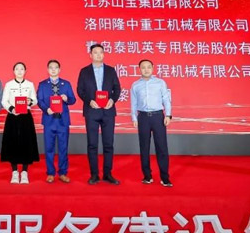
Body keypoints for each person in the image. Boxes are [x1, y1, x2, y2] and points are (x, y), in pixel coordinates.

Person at [77, 44, 121, 185]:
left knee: (108, 144)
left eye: (100, 52)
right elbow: (80, 90)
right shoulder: (84, 71)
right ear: (90, 55)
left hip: (108, 111)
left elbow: (117, 89)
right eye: (95, 52)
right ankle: (94, 174)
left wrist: (112, 100)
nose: (98, 55)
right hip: (92, 111)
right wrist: (89, 101)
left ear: (103, 54)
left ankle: (108, 174)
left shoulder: (110, 70)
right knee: (92, 144)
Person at [131, 59, 173, 187]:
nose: (146, 69)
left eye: (149, 67)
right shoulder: (135, 85)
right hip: (143, 117)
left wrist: (168, 115)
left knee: (162, 147)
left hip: (158, 117)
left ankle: (165, 177)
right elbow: (133, 103)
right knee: (144, 147)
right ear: (139, 69)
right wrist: (134, 118)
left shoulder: (160, 83)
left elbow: (166, 99)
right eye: (143, 67)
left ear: (153, 68)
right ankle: (147, 176)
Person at [36, 59, 76, 183]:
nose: (53, 70)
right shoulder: (42, 84)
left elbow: (73, 100)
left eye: (56, 67)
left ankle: (63, 172)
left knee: (63, 148)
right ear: (47, 70)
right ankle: (50, 173)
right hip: (49, 120)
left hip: (63, 121)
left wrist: (66, 98)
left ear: (59, 69)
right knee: (49, 148)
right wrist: (46, 109)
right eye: (51, 68)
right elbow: (39, 100)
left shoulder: (66, 84)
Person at [0, 62, 40, 184]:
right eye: (17, 69)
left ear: (25, 71)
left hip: (26, 117)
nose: (19, 71)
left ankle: (24, 172)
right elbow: (4, 101)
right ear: (14, 71)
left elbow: (35, 100)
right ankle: (14, 172)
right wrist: (12, 109)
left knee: (26, 143)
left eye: (22, 69)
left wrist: (30, 101)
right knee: (13, 143)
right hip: (13, 116)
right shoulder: (9, 85)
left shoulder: (30, 84)